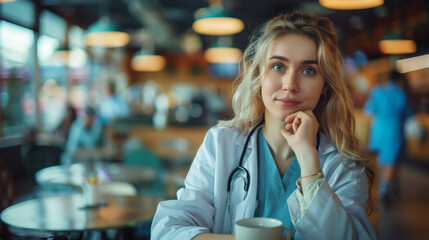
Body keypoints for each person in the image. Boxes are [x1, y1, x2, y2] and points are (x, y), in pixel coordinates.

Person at [151, 11, 376, 240]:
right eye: (278, 66)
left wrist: (309, 161)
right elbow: (168, 230)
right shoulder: (221, 144)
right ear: (259, 75)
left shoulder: (343, 165)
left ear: (325, 85)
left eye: (308, 71)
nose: (290, 85)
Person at [364, 70, 414, 206]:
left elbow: (368, 110)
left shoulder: (377, 91)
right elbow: (410, 115)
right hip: (395, 130)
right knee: (393, 160)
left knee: (381, 160)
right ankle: (385, 188)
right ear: (400, 80)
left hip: (379, 131)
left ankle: (387, 185)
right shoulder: (402, 94)